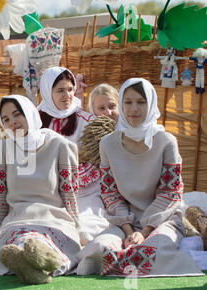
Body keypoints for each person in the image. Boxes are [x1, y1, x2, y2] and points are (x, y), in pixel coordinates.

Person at [76, 78, 204, 277]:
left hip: (161, 221)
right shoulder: (108, 144)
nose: (134, 109)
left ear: (151, 104)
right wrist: (128, 231)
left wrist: (143, 232)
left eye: (141, 102)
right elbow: (109, 193)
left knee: (150, 252)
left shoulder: (165, 142)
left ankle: (122, 264)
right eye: (128, 102)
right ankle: (121, 261)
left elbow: (170, 193)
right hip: (123, 222)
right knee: (98, 249)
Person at [0, 95, 82, 284]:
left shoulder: (59, 145)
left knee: (44, 240)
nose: (12, 122)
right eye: (5, 119)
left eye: (17, 115)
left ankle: (32, 260)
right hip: (18, 217)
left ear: (30, 114)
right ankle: (32, 263)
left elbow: (69, 191)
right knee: (22, 238)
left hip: (54, 218)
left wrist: (75, 224)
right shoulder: (1, 149)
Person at [38, 66, 109, 246]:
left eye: (70, 89)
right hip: (45, 192)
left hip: (82, 193)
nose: (67, 95)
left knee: (83, 229)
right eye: (60, 90)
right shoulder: (35, 121)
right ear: (47, 91)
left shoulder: (87, 122)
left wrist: (65, 182)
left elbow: (95, 163)